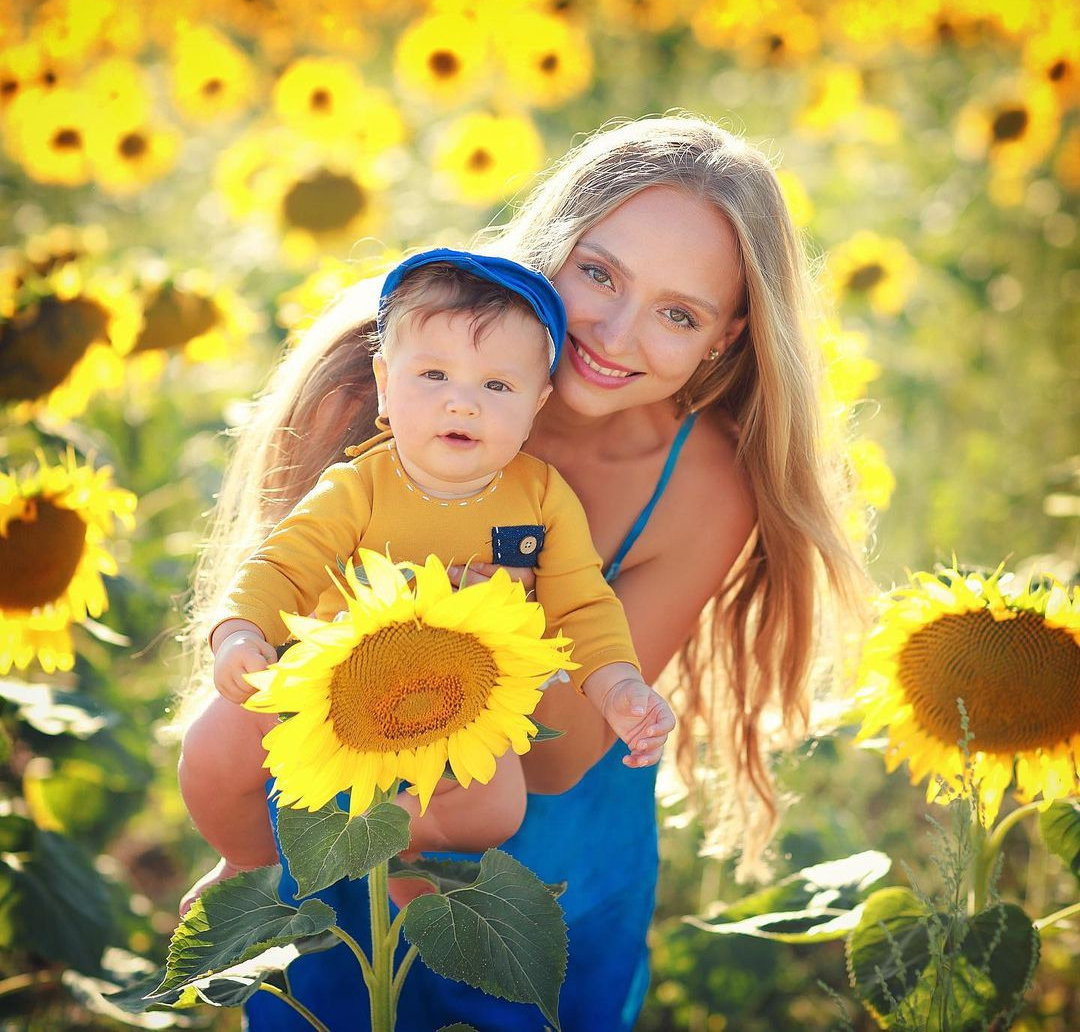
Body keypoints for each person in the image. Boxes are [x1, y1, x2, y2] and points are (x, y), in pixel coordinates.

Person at [178, 114, 868, 1030]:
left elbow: (557, 753)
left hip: (540, 873)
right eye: (599, 274)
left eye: (678, 313)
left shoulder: (701, 487)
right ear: (554, 244)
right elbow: (284, 600)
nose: (616, 333)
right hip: (338, 810)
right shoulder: (394, 372)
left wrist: (478, 629)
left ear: (727, 336)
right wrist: (251, 830)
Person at [181, 249, 675, 904]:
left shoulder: (541, 497)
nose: (462, 403)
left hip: (455, 702)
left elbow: (582, 605)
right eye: (434, 375)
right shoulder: (358, 486)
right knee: (211, 752)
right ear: (386, 384)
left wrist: (617, 685)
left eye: (497, 386)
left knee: (495, 810)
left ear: (537, 403)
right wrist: (241, 632)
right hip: (333, 690)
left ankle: (408, 858)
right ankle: (247, 862)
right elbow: (284, 564)